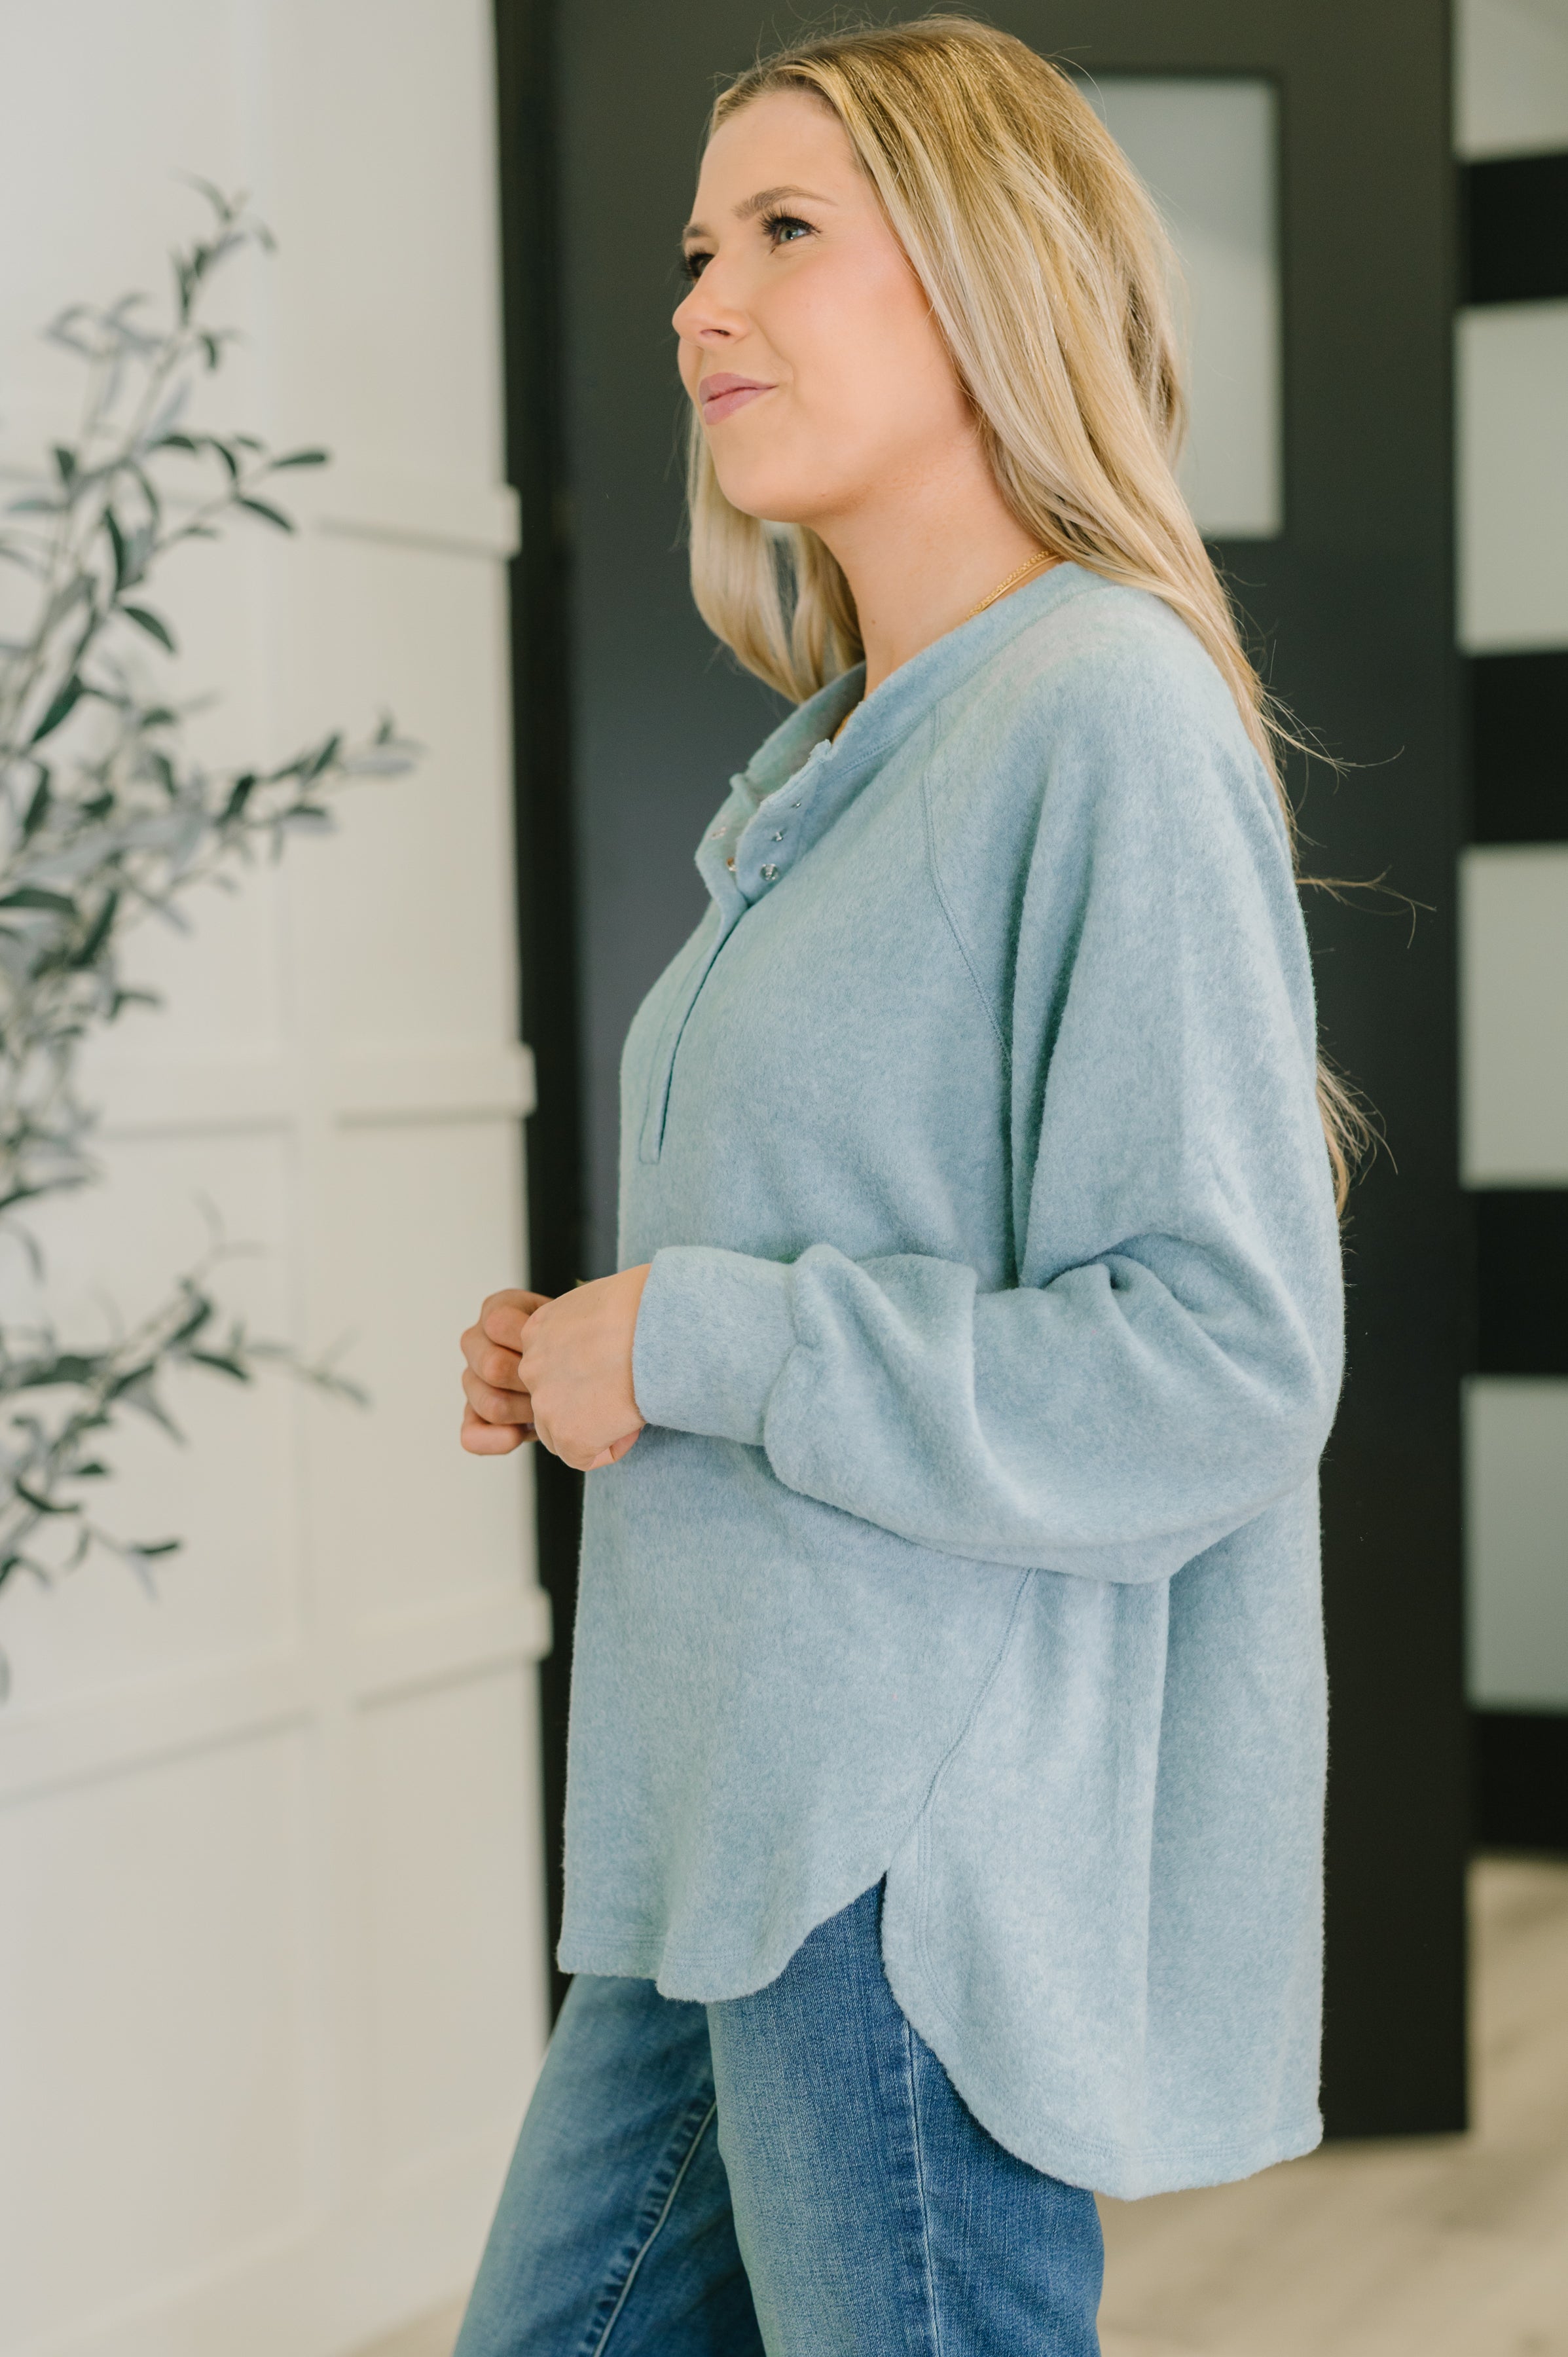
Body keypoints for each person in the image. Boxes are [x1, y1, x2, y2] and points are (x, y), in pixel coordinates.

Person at [453, 18, 1350, 2354]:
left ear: (984, 272)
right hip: (722, 1830)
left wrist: (700, 1334)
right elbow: (843, 1252)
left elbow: (1225, 1359)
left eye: (782, 231)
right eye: (693, 250)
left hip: (894, 1859)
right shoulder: (843, 757)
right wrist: (607, 1347)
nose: (699, 305)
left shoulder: (1097, 708)